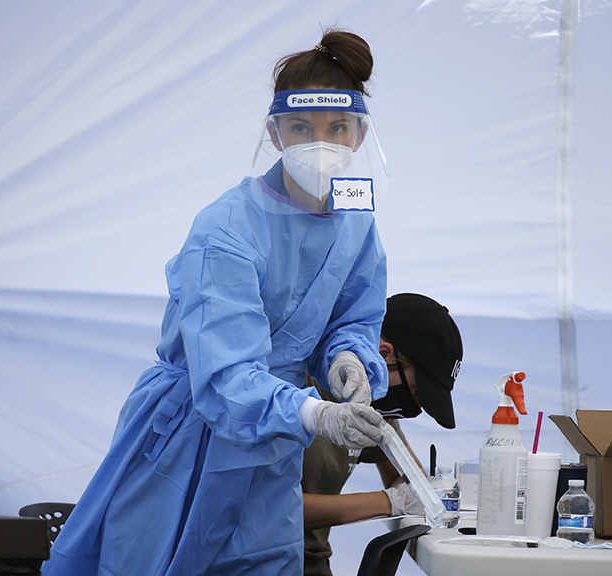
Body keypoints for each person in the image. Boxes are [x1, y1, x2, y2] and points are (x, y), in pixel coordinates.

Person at [43, 29, 391, 576]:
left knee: (263, 560)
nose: (319, 143)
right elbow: (226, 373)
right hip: (190, 436)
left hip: (273, 450)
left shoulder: (354, 217)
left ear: (359, 133)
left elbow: (352, 315)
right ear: (275, 133)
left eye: (336, 128)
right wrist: (314, 412)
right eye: (301, 127)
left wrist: (347, 358)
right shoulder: (227, 227)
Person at [301, 293, 463, 576]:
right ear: (384, 354)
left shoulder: (368, 406)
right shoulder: (299, 391)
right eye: (417, 392)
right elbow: (270, 510)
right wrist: (388, 501)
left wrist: (427, 490)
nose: (416, 408)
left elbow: (408, 481)